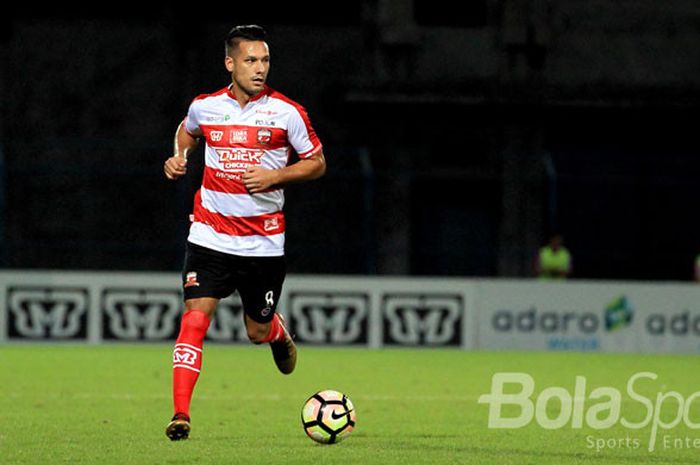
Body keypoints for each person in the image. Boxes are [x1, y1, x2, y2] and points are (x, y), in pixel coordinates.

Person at [162, 25, 326, 441]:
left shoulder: (287, 112)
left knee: (255, 331)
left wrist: (277, 175)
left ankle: (276, 331)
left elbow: (317, 162)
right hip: (209, 236)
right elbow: (188, 131)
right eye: (251, 60)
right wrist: (179, 157)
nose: (259, 68)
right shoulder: (206, 106)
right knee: (194, 320)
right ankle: (181, 414)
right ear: (230, 63)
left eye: (265, 60)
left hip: (263, 243)